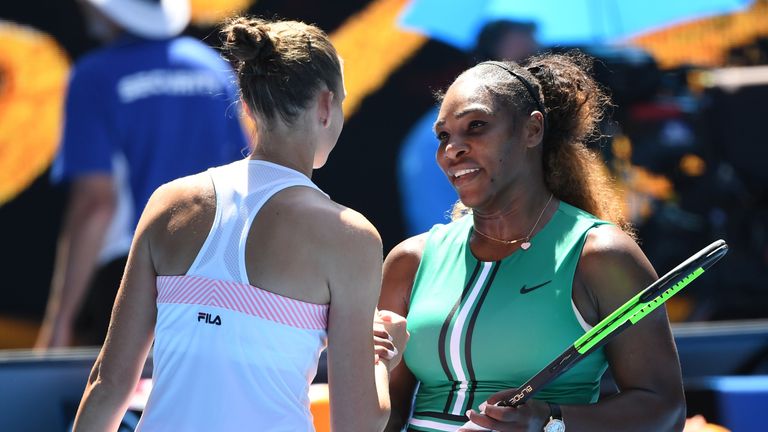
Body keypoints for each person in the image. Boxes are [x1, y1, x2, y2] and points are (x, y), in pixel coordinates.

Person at [71, 16, 408, 432]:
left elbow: (107, 385)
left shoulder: (168, 204)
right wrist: (380, 361)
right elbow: (358, 423)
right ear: (325, 105)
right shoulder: (350, 236)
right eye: (340, 101)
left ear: (247, 105)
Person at [380, 52, 686, 431]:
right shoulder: (410, 261)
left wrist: (550, 420)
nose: (451, 150)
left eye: (475, 126)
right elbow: (386, 412)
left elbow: (665, 411)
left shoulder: (601, 255)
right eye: (444, 135)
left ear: (532, 130)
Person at [36, 0, 248, 348]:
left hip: (130, 280)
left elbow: (95, 205)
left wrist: (61, 321)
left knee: (122, 398)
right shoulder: (213, 68)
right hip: (215, 276)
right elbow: (245, 172)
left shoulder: (95, 77)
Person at [398, 19, 539, 236]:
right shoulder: (431, 140)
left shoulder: (530, 130)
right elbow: (442, 239)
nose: (533, 77)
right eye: (521, 64)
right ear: (484, 68)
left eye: (536, 65)